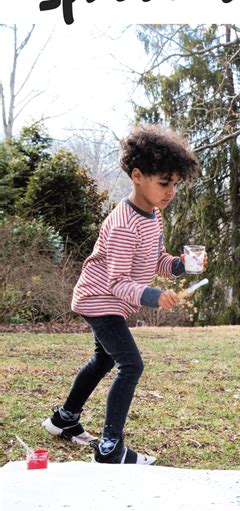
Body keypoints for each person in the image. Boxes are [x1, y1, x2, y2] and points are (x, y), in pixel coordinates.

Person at [42, 125, 200, 465]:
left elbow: (156, 259)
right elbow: (116, 282)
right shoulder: (124, 223)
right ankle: (110, 448)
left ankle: (64, 419)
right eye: (164, 183)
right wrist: (152, 296)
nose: (171, 191)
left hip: (109, 300)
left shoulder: (153, 216)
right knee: (131, 364)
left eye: (175, 183)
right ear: (138, 176)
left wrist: (181, 265)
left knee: (104, 359)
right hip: (99, 300)